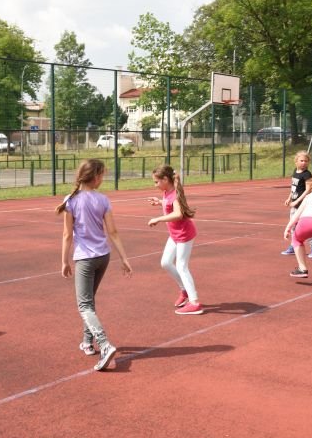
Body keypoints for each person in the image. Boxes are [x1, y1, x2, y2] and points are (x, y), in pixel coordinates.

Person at [57, 159, 132, 371]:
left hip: (85, 259)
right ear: (95, 176)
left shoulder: (71, 200)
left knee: (84, 305)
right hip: (103, 257)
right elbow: (113, 232)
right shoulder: (103, 199)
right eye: (102, 175)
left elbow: (67, 234)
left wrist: (64, 261)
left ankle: (105, 344)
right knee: (89, 300)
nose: (103, 179)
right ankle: (87, 342)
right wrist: (124, 258)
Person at [147, 164, 203, 315]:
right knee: (165, 263)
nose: (155, 185)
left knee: (182, 266)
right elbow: (169, 205)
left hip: (184, 234)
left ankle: (194, 302)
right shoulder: (167, 192)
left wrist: (158, 218)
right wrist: (159, 202)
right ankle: (184, 290)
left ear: (165, 179)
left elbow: (178, 214)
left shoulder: (174, 195)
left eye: (156, 182)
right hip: (174, 234)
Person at [282, 151, 312, 258]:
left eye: (306, 161)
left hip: (302, 205)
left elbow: (308, 190)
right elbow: (293, 188)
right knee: (294, 227)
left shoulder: (306, 174)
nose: (304, 163)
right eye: (302, 161)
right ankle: (293, 247)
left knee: (303, 227)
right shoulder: (295, 171)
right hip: (294, 205)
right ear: (296, 161)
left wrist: (297, 201)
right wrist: (289, 198)